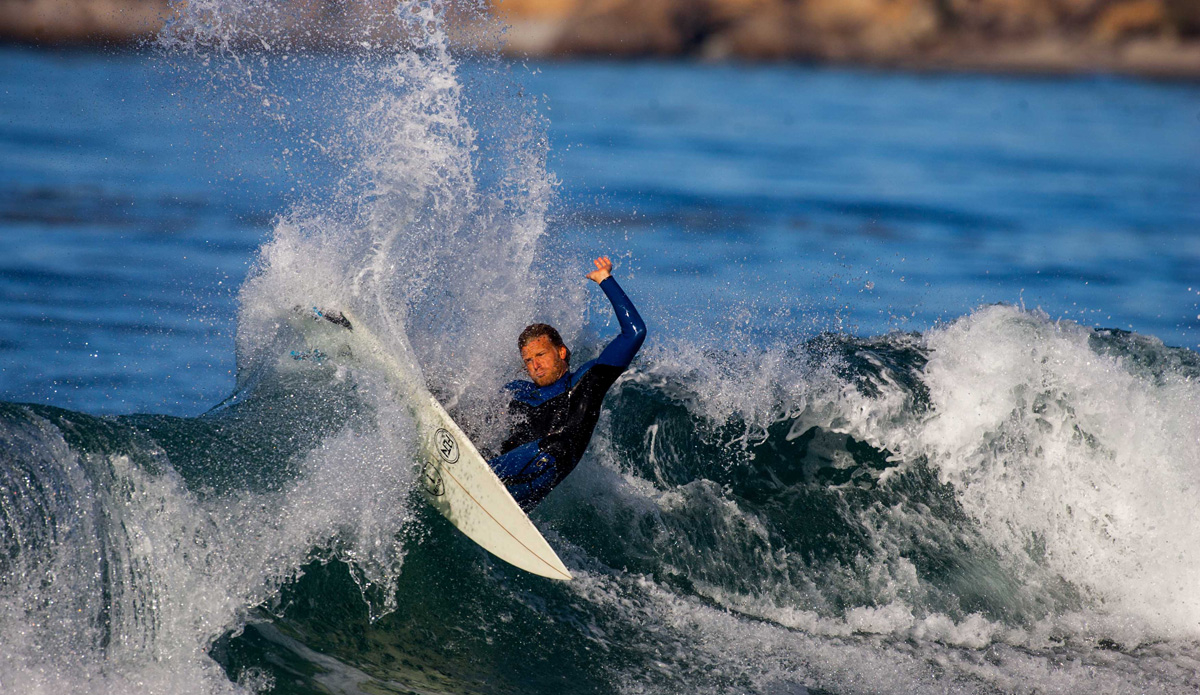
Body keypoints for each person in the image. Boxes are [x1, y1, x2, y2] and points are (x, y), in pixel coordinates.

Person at [488, 256, 646, 510]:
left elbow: (635, 333)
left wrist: (605, 280)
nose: (535, 365)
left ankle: (485, 479)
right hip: (497, 469)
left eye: (540, 355)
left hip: (533, 475)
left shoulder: (585, 382)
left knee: (556, 447)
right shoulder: (517, 391)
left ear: (561, 352)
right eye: (528, 360)